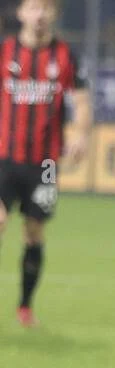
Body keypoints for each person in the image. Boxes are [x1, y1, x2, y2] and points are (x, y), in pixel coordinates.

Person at [0, 0, 90, 328]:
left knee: (34, 231)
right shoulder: (4, 52)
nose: (39, 15)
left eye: (46, 9)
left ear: (54, 15)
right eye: (33, 8)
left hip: (46, 164)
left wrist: (81, 133)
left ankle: (25, 306)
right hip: (4, 157)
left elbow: (81, 100)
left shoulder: (66, 56)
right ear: (21, 13)